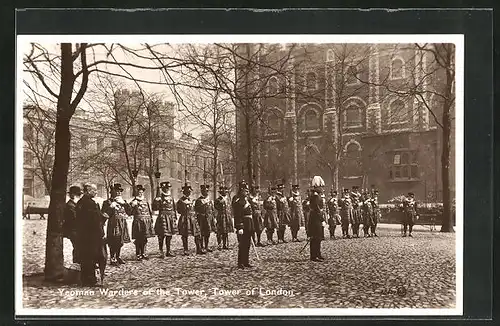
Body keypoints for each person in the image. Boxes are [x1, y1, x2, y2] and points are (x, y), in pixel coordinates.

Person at [75, 183, 108, 286]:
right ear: (88, 191)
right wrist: (104, 218)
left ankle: (86, 279)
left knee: (85, 257)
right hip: (92, 235)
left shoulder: (80, 202)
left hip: (83, 235)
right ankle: (90, 280)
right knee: (91, 257)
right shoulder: (90, 203)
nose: (96, 192)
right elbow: (95, 221)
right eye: (94, 190)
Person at [102, 183, 131, 265]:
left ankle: (118, 256)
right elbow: (104, 215)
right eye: (117, 191)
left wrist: (125, 204)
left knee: (120, 242)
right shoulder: (107, 202)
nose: (118, 193)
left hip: (122, 223)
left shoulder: (123, 201)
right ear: (112, 192)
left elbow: (129, 212)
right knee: (113, 241)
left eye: (120, 191)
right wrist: (110, 207)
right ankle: (112, 258)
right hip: (113, 224)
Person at [177, 183, 204, 255]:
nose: (188, 193)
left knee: (197, 234)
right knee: (185, 234)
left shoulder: (193, 200)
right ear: (184, 192)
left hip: (193, 218)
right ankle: (185, 249)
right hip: (185, 218)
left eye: (189, 192)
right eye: (187, 192)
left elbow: (196, 208)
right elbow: (179, 210)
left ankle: (199, 248)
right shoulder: (180, 201)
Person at [233, 181, 255, 269]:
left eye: (247, 190)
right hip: (243, 224)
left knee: (247, 244)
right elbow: (237, 215)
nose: (247, 192)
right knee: (242, 244)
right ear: (241, 190)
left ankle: (246, 261)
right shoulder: (238, 201)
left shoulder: (247, 200)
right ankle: (240, 262)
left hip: (249, 223)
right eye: (245, 191)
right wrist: (240, 227)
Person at [130, 185, 155, 260]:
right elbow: (130, 212)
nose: (140, 194)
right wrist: (132, 205)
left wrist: (150, 218)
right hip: (138, 222)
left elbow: (149, 211)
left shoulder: (145, 200)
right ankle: (138, 254)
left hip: (146, 222)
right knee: (138, 238)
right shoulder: (133, 201)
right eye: (139, 192)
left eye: (141, 192)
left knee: (144, 238)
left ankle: (144, 253)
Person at [153, 181, 177, 258]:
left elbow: (174, 207)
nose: (167, 189)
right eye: (165, 188)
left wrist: (175, 216)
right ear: (162, 188)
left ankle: (168, 250)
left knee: (169, 235)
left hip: (170, 218)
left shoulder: (171, 197)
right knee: (161, 235)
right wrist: (156, 200)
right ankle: (160, 251)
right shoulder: (160, 197)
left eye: (168, 188)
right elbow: (155, 208)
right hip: (162, 218)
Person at [308, 176, 327, 262]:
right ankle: (314, 255)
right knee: (315, 237)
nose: (322, 188)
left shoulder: (317, 196)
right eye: (320, 186)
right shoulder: (315, 196)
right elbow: (317, 209)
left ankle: (317, 253)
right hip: (315, 219)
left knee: (318, 237)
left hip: (316, 218)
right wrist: (322, 219)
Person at [63, 185, 82, 264]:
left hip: (76, 230)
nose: (80, 197)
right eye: (79, 195)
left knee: (79, 248)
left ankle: (78, 264)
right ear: (73, 195)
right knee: (78, 248)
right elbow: (75, 219)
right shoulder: (70, 206)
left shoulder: (74, 205)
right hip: (73, 231)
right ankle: (76, 264)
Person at [195, 184, 216, 253]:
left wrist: (213, 217)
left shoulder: (210, 200)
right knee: (201, 233)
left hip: (209, 218)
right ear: (201, 192)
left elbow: (212, 210)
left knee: (208, 233)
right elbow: (196, 210)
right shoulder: (198, 200)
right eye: (203, 191)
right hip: (201, 219)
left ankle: (206, 246)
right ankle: (201, 247)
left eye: (206, 191)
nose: (205, 192)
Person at [214, 186, 234, 250]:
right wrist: (221, 201)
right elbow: (216, 207)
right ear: (220, 192)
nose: (224, 193)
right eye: (223, 192)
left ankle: (225, 244)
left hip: (227, 216)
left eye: (225, 191)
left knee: (226, 231)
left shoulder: (228, 199)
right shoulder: (218, 200)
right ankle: (219, 244)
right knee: (219, 231)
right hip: (221, 216)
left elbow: (230, 208)